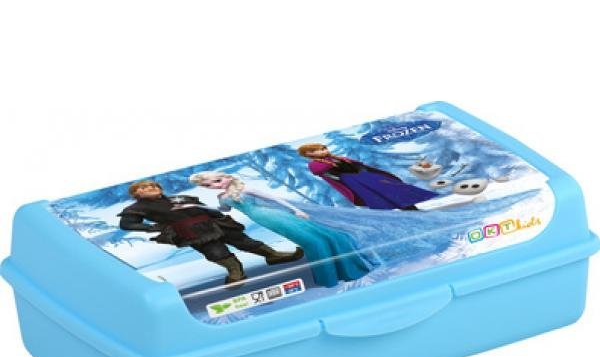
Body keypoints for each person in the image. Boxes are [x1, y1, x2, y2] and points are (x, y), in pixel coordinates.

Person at [189, 172, 373, 288]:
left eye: (217, 181)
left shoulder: (245, 188)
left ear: (228, 177)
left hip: (277, 215)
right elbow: (224, 210)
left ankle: (342, 271)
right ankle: (333, 274)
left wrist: (296, 210)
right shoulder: (222, 197)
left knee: (317, 239)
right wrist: (199, 207)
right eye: (208, 185)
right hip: (266, 220)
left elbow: (275, 199)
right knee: (312, 241)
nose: (216, 185)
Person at [118, 180, 303, 285]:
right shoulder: (137, 208)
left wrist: (218, 215)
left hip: (216, 223)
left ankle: (274, 256)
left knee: (245, 241)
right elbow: (127, 224)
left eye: (153, 186)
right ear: (136, 194)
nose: (149, 189)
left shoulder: (181, 198)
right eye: (143, 188)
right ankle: (236, 271)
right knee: (216, 251)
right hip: (191, 231)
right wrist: (153, 228)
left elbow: (203, 207)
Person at [297, 143, 438, 210]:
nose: (322, 151)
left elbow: (356, 164)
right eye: (316, 151)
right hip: (354, 181)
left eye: (323, 148)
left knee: (393, 188)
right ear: (308, 154)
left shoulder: (336, 158)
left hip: (364, 176)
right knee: (379, 194)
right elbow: (327, 173)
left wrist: (363, 170)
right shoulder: (316, 165)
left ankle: (410, 206)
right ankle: (406, 209)